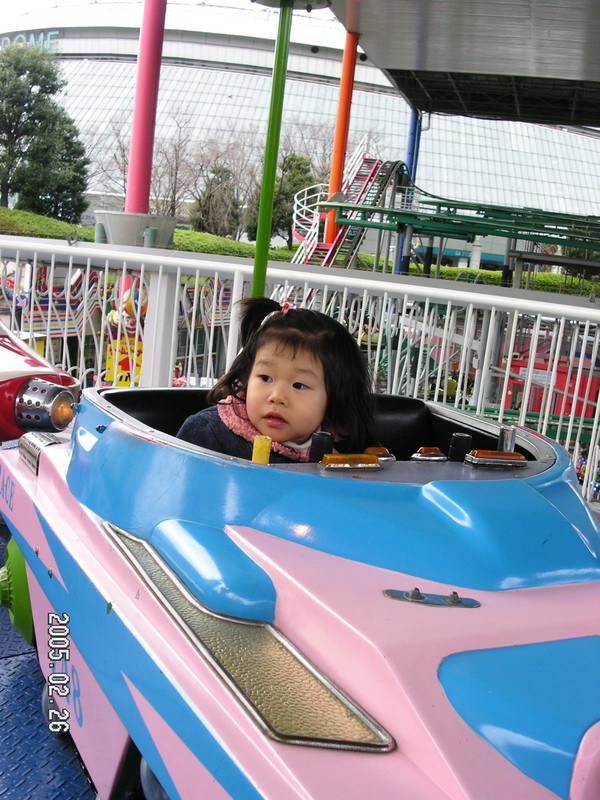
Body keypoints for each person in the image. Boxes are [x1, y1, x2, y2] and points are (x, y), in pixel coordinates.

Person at [177, 296, 376, 462]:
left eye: (298, 385)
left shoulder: (352, 448)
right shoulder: (208, 436)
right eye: (265, 378)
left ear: (335, 396)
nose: (277, 397)